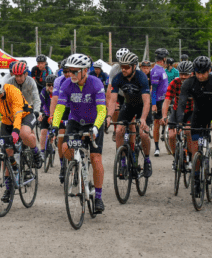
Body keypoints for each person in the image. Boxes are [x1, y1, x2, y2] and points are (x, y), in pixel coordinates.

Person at [53, 53, 107, 214]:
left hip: (94, 123)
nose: (71, 74)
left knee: (95, 158)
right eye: (69, 71)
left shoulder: (96, 83)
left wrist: (97, 127)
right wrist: (55, 127)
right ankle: (77, 164)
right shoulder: (66, 85)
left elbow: (102, 110)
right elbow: (60, 108)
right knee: (65, 149)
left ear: (85, 71)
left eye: (75, 71)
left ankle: (98, 197)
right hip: (75, 122)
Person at [0, 74, 42, 201]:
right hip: (7, 121)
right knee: (6, 154)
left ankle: (36, 152)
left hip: (24, 115)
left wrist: (15, 132)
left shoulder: (13, 91)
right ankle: (9, 189)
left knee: (23, 134)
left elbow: (18, 114)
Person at [175, 56, 212, 197]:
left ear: (209, 70)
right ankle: (197, 176)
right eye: (197, 72)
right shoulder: (189, 83)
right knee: (195, 148)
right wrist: (179, 122)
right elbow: (181, 103)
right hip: (198, 114)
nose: (200, 75)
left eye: (203, 72)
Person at [107, 51, 152, 177]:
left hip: (142, 107)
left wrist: (143, 119)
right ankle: (122, 162)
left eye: (127, 67)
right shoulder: (118, 78)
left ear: (134, 66)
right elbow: (112, 100)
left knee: (143, 134)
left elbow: (147, 101)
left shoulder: (141, 77)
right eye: (122, 66)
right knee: (119, 131)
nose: (123, 69)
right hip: (129, 106)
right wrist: (109, 116)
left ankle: (147, 160)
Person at [161, 60, 194, 164]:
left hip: (191, 111)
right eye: (181, 74)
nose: (183, 76)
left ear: (192, 74)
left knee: (188, 131)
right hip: (177, 111)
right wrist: (164, 115)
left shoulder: (195, 83)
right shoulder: (175, 82)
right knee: (171, 136)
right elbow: (167, 100)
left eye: (186, 74)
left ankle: (189, 154)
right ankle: (176, 157)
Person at [150, 48, 170, 157]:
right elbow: (153, 88)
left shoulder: (162, 69)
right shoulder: (156, 70)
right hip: (158, 101)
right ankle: (157, 147)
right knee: (157, 123)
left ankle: (165, 138)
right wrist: (153, 104)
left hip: (165, 99)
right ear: (163, 59)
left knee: (166, 120)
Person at [38, 74, 55, 159]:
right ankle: (42, 151)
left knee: (55, 133)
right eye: (49, 85)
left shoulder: (59, 92)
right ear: (46, 85)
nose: (51, 86)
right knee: (43, 132)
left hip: (56, 115)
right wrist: (46, 115)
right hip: (47, 113)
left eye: (53, 85)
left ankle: (53, 144)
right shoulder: (44, 91)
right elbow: (43, 104)